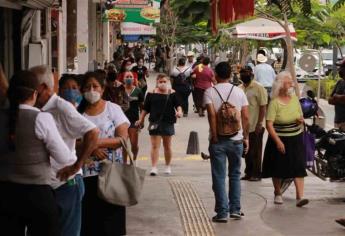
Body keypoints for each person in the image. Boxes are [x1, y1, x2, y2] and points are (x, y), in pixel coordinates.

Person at [0, 71, 76, 236]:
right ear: (35, 94)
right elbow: (64, 158)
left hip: (5, 195)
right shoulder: (41, 118)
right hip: (38, 195)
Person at [30, 65, 99, 236]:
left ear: (43, 88)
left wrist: (77, 166)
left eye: (32, 87)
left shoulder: (62, 108)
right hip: (45, 186)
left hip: (65, 185)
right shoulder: (36, 109)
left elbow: (93, 132)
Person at [78, 72, 130, 236]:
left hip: (111, 174)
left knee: (111, 222)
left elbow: (122, 139)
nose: (91, 90)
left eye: (95, 86)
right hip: (85, 174)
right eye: (87, 87)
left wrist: (93, 143)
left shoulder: (112, 109)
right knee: (89, 221)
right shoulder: (77, 112)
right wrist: (91, 149)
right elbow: (70, 141)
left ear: (102, 88)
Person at [204, 62, 249, 222]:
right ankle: (235, 210)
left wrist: (215, 135)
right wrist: (245, 137)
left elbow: (211, 115)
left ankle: (222, 213)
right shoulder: (239, 91)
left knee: (219, 176)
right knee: (235, 175)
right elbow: (245, 116)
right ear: (231, 75)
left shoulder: (210, 92)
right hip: (236, 139)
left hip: (218, 141)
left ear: (215, 75)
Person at [261, 71, 309, 207]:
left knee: (299, 166)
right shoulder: (274, 102)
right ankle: (278, 192)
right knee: (278, 167)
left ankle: (300, 197)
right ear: (281, 85)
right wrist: (278, 141)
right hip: (279, 138)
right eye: (289, 82)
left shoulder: (294, 98)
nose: (292, 84)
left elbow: (300, 115)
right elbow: (269, 124)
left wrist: (301, 121)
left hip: (296, 137)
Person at [136, 74, 183, 176]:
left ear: (168, 82)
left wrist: (179, 112)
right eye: (160, 82)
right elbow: (145, 109)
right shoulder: (151, 94)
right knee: (154, 146)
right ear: (157, 83)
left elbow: (178, 106)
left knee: (167, 146)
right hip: (154, 122)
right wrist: (140, 119)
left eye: (164, 81)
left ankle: (167, 166)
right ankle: (154, 167)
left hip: (168, 121)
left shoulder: (172, 93)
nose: (162, 83)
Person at [239, 66, 268, 181]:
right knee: (246, 150)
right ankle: (248, 172)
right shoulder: (239, 88)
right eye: (242, 73)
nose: (244, 75)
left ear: (251, 74)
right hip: (243, 126)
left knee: (255, 151)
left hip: (255, 124)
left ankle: (256, 173)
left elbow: (263, 106)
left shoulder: (258, 88)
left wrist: (260, 123)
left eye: (246, 73)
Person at [123, 71, 144, 162]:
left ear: (134, 79)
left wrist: (141, 120)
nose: (129, 78)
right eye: (127, 76)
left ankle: (134, 157)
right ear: (123, 79)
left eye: (130, 76)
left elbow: (142, 107)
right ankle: (124, 163)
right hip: (122, 121)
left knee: (133, 144)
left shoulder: (138, 91)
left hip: (133, 120)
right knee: (123, 144)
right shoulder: (120, 90)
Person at [328, 61, 345, 131]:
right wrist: (341, 98)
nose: (339, 69)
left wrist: (336, 96)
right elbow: (329, 100)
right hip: (338, 121)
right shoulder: (340, 82)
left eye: (341, 67)